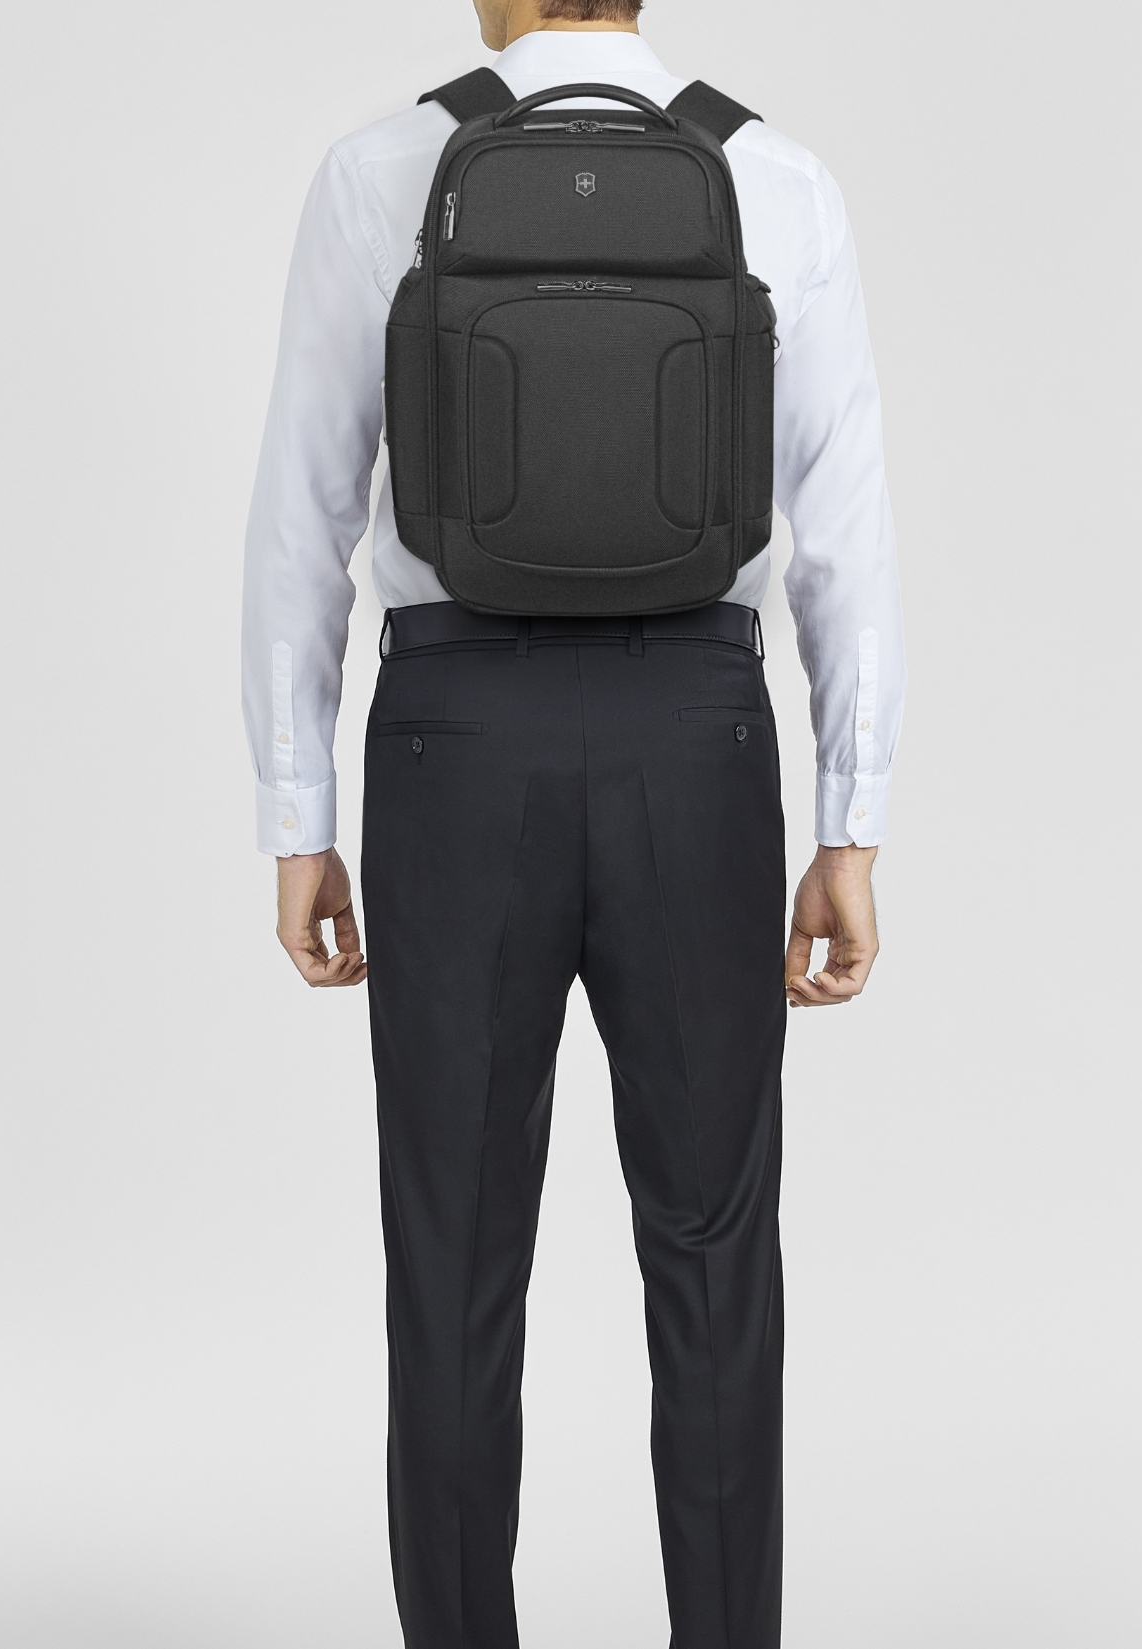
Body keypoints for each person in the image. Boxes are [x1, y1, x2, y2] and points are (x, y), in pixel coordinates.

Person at [241, 0, 904, 1642]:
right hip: (700, 737)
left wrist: (299, 811)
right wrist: (852, 822)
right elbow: (842, 525)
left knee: (453, 1261)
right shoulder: (775, 177)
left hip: (453, 746)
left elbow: (304, 512)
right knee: (715, 1254)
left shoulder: (383, 170)